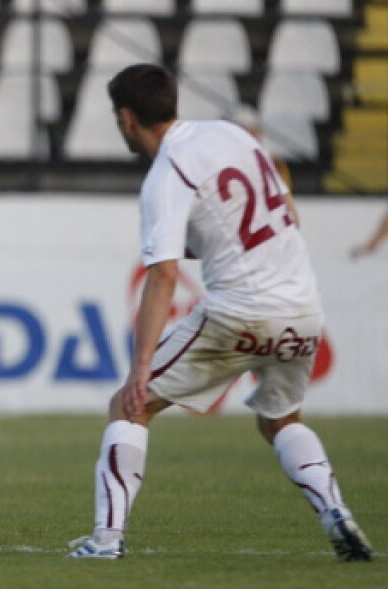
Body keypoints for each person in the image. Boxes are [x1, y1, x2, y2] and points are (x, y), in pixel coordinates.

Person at [67, 64, 372, 562]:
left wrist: (141, 367)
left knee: (130, 405)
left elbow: (163, 276)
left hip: (241, 312)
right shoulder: (233, 135)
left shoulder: (166, 174)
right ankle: (335, 511)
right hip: (303, 309)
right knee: (281, 418)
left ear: (126, 118)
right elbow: (288, 215)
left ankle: (105, 541)